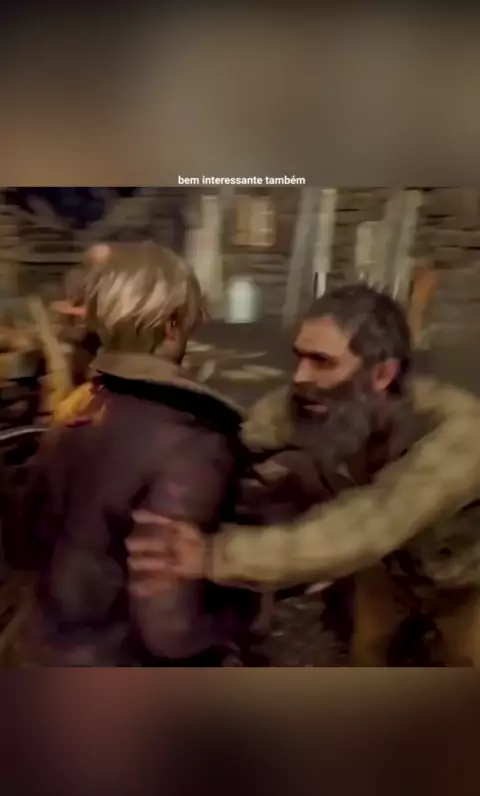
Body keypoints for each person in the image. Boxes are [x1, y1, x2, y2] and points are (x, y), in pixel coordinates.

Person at [126, 284, 480, 666]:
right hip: (389, 572)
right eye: (301, 358)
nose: (299, 377)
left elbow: (371, 522)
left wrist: (215, 555)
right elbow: (240, 439)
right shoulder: (312, 402)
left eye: (322, 362)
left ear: (382, 374)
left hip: (467, 582)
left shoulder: (462, 432)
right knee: (368, 654)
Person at [14, 242, 258, 666]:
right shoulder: (193, 441)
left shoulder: (77, 409)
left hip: (38, 650)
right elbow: (168, 629)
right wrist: (237, 619)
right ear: (173, 325)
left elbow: (22, 544)